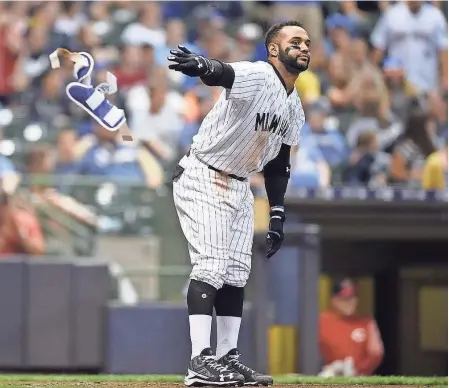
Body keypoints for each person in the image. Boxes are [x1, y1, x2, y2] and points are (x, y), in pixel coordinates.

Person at [166, 20, 308, 386]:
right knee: (211, 267)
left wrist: (277, 212)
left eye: (307, 42)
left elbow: (278, 163)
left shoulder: (295, 106)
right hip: (206, 172)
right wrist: (201, 65)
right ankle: (200, 362)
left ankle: (227, 357)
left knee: (235, 274)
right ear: (274, 49)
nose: (304, 46)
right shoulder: (260, 74)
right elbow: (224, 73)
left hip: (241, 183)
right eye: (295, 41)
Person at [319, 278, 384, 377]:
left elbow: (376, 353)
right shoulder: (322, 321)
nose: (350, 303)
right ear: (334, 299)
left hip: (359, 379)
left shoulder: (366, 322)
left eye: (352, 298)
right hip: (329, 378)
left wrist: (357, 370)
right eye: (345, 299)